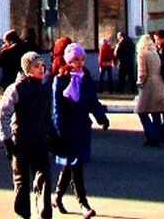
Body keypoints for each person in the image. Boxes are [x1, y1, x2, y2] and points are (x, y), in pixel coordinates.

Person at [52, 42, 110, 219]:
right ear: (68, 61)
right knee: (75, 166)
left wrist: (102, 117)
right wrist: (57, 131)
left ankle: (57, 196)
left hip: (82, 129)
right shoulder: (60, 80)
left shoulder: (87, 79)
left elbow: (93, 102)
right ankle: (84, 204)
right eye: (76, 59)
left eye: (82, 59)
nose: (80, 63)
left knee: (71, 165)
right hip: (66, 129)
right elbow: (56, 108)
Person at [0, 51, 56, 219]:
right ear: (27, 69)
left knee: (44, 177)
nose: (41, 69)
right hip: (21, 141)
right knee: (21, 180)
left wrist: (53, 135)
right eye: (36, 66)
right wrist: (7, 139)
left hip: (40, 140)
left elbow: (48, 115)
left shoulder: (45, 88)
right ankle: (23, 214)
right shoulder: (16, 88)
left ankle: (45, 213)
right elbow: (3, 114)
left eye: (42, 66)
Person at [134, 33, 164, 146]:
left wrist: (139, 83)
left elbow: (142, 72)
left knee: (141, 111)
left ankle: (151, 135)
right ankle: (157, 136)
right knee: (156, 111)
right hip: (159, 83)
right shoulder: (155, 53)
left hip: (148, 84)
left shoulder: (142, 54)